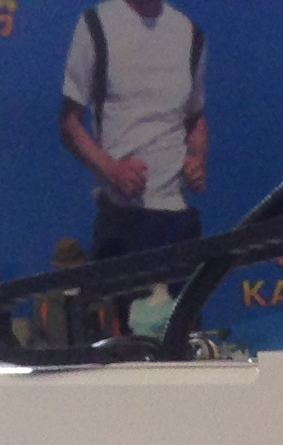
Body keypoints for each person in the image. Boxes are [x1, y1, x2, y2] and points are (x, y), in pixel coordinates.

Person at [62, 0, 208, 263]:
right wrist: (112, 170)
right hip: (120, 218)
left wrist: (196, 159)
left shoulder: (190, 33)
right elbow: (70, 123)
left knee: (188, 291)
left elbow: (195, 118)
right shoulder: (96, 24)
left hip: (177, 219)